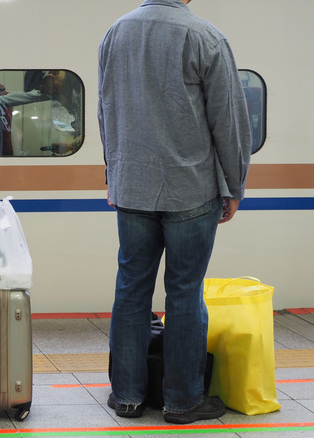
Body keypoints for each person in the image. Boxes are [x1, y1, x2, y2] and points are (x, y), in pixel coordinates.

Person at [98, 0, 251, 425]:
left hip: (131, 187)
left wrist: (114, 171)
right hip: (191, 189)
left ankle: (127, 397)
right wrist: (235, 184)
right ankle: (183, 401)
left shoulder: (116, 33)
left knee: (131, 290)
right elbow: (229, 120)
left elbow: (105, 107)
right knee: (185, 293)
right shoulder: (205, 37)